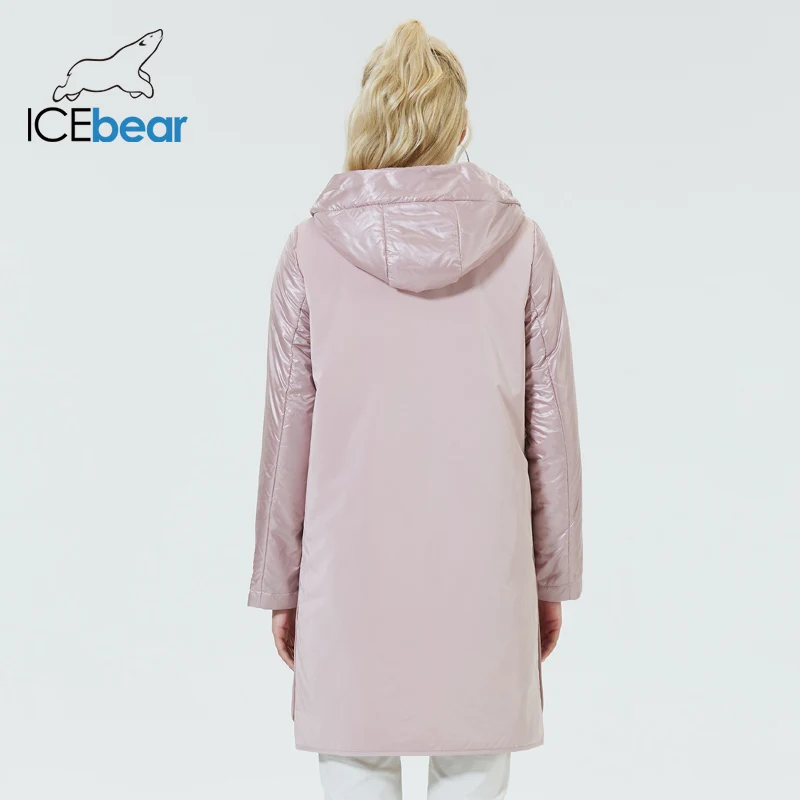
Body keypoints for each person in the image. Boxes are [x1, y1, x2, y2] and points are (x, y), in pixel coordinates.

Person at [247, 19, 583, 800]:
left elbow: (287, 435)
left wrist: (281, 586)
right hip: (487, 568)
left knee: (356, 753)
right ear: (460, 126)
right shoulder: (522, 245)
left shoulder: (309, 249)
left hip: (348, 572)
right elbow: (551, 435)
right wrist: (550, 579)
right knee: (474, 758)